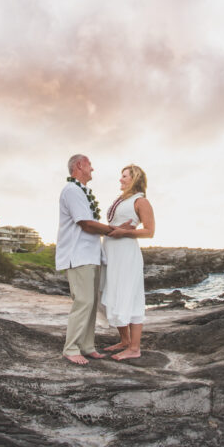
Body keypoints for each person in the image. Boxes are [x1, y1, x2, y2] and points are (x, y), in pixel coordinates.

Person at [56, 154, 131, 365]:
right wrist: (114, 230)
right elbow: (86, 223)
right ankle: (70, 348)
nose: (93, 169)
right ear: (79, 165)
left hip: (90, 255)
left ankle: (87, 346)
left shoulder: (82, 191)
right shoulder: (71, 190)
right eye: (90, 165)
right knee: (83, 302)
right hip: (77, 255)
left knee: (91, 303)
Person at [101, 164, 155, 360]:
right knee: (115, 293)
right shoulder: (122, 199)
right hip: (112, 253)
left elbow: (149, 231)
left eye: (124, 176)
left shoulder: (141, 201)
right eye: (121, 176)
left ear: (135, 179)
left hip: (126, 254)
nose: (120, 179)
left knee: (130, 295)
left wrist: (126, 232)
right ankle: (124, 340)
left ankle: (134, 348)